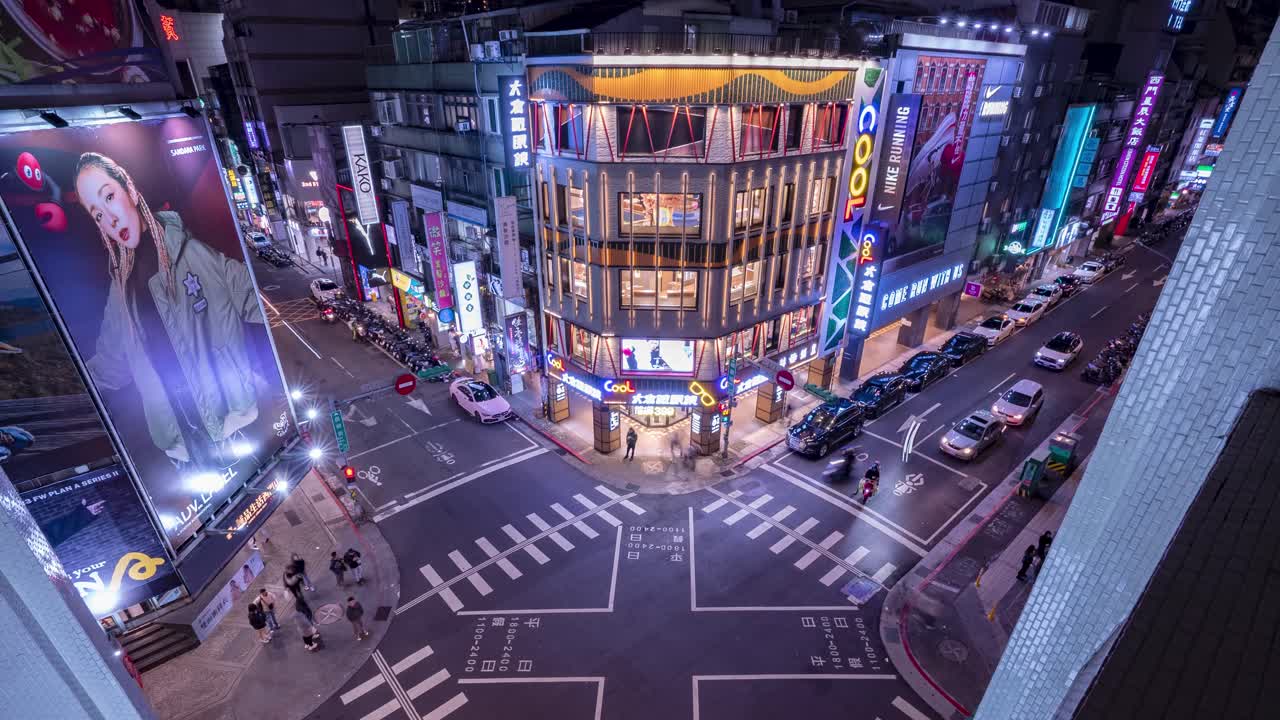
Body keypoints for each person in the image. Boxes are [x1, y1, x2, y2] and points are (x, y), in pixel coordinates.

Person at [74, 153, 269, 474]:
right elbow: (110, 365)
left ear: (131, 191)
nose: (110, 217)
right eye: (97, 214)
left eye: (110, 196)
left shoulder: (192, 255)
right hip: (180, 446)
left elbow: (251, 298)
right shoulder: (120, 287)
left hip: (233, 422)